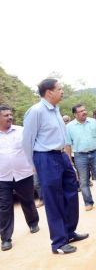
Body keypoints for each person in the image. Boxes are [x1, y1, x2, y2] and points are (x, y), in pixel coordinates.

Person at [22, 78, 88, 255]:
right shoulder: (36, 112)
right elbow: (27, 141)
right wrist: (33, 164)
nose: (62, 91)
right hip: (45, 158)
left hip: (61, 156)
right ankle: (58, 243)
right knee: (54, 200)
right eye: (59, 89)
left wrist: (68, 160)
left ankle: (69, 232)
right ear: (48, 92)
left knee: (71, 194)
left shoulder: (56, 110)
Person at [0, 105, 40, 251]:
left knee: (28, 200)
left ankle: (33, 223)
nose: (10, 117)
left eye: (11, 115)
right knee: (4, 207)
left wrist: (34, 164)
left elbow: (32, 148)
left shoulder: (21, 131)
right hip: (2, 177)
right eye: (6, 115)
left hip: (24, 173)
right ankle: (6, 238)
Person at [65, 104, 96, 211]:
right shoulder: (69, 127)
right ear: (75, 114)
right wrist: (69, 159)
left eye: (85, 110)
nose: (84, 112)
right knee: (83, 181)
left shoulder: (93, 122)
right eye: (81, 111)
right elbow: (67, 144)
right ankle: (88, 202)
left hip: (95, 154)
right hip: (80, 156)